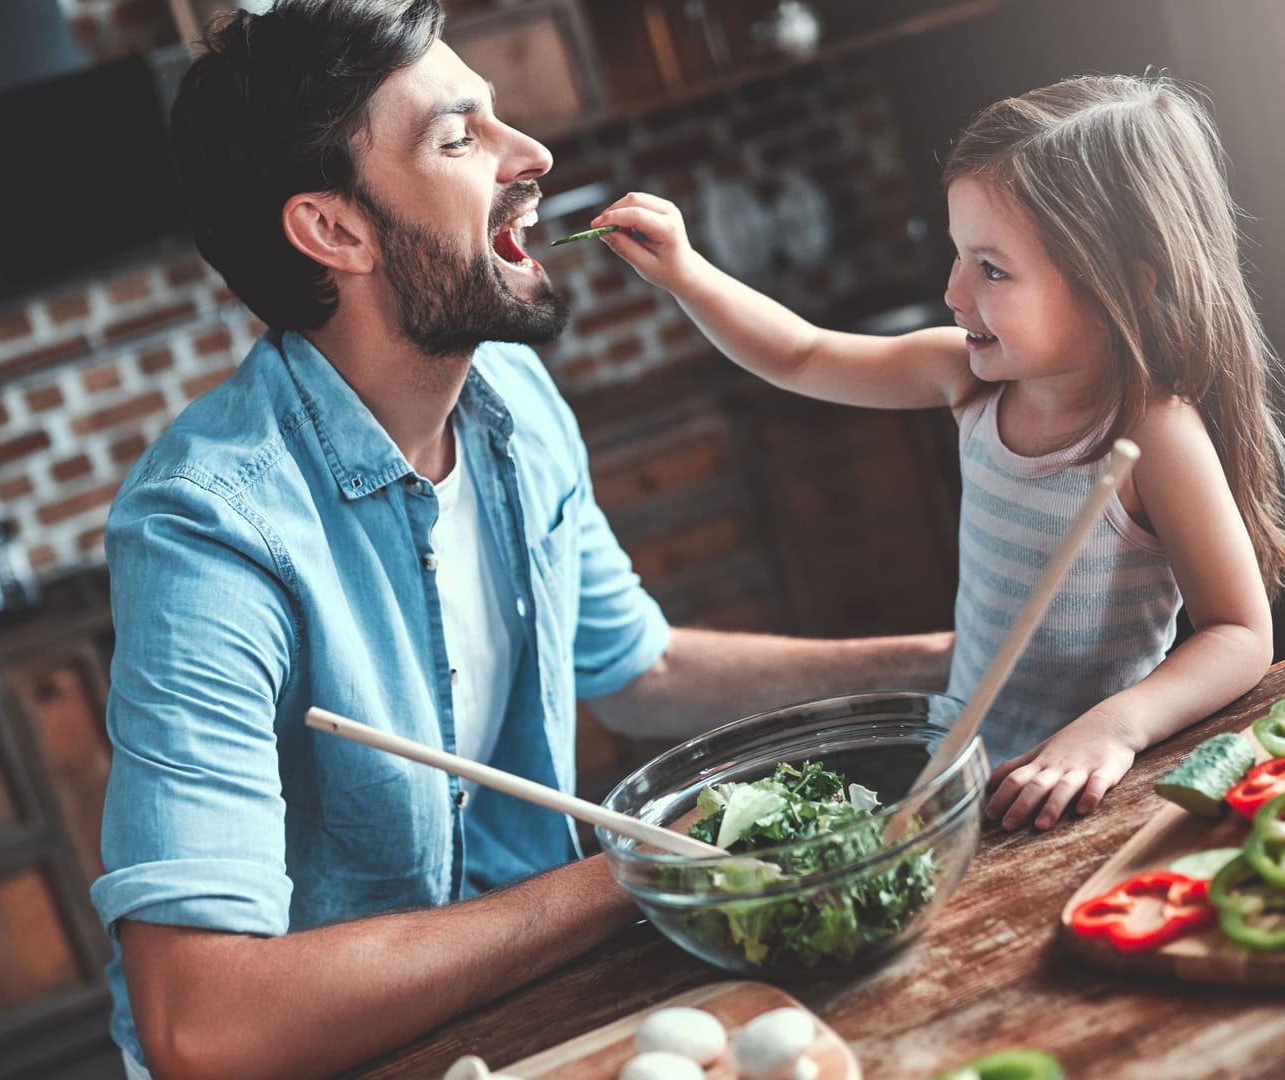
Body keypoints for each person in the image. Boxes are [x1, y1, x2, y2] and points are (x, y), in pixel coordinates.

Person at [91, 3, 951, 1078]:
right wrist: (639, 867)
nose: (532, 155)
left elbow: (640, 668)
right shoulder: (208, 532)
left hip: (532, 1024)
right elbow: (204, 1026)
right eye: (460, 138)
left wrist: (949, 669)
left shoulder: (510, 398)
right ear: (335, 231)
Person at [593, 74, 1285, 835]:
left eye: (992, 268)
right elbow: (803, 355)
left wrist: (1114, 729)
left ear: (1124, 291)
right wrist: (686, 272)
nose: (953, 290)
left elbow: (1240, 635)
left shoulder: (1151, 432)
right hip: (962, 774)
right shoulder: (966, 379)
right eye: (957, 255)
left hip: (1084, 792)